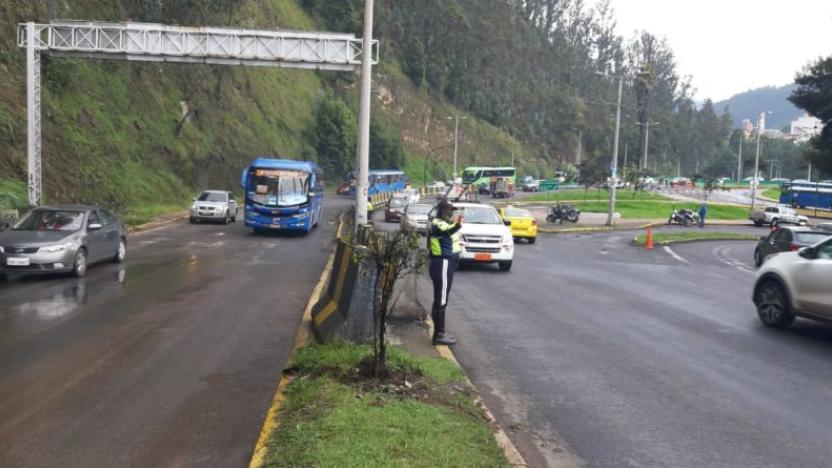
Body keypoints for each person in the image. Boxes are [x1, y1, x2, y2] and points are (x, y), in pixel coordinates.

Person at [428, 201, 463, 346]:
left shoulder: (443, 223)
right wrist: (458, 225)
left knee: (441, 299)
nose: (451, 214)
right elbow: (446, 232)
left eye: (452, 211)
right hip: (442, 264)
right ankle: (439, 335)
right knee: (441, 300)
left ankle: (439, 332)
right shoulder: (438, 224)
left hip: (446, 264)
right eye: (449, 211)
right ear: (442, 212)